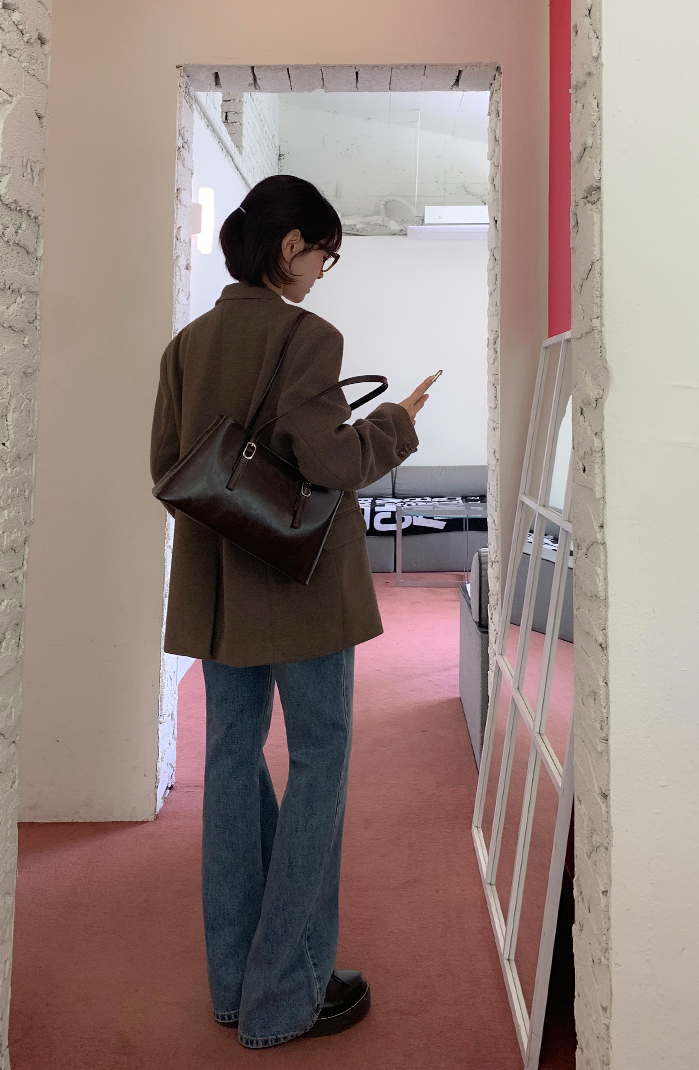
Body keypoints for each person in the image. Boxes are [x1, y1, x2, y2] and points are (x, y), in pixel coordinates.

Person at [150, 174, 433, 1049]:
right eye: (324, 255)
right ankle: (286, 998)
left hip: (219, 592)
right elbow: (331, 462)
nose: (321, 271)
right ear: (290, 246)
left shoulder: (187, 346)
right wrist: (396, 421)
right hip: (302, 588)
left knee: (231, 768)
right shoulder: (309, 337)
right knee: (319, 764)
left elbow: (167, 469)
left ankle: (237, 988)